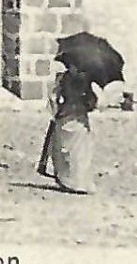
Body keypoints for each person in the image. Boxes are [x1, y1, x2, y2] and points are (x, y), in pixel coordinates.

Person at [40, 63, 97, 194]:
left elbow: (53, 97)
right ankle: (79, 181)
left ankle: (69, 179)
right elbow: (92, 101)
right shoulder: (86, 80)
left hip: (67, 113)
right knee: (78, 150)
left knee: (68, 149)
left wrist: (55, 111)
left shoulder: (63, 78)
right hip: (78, 115)